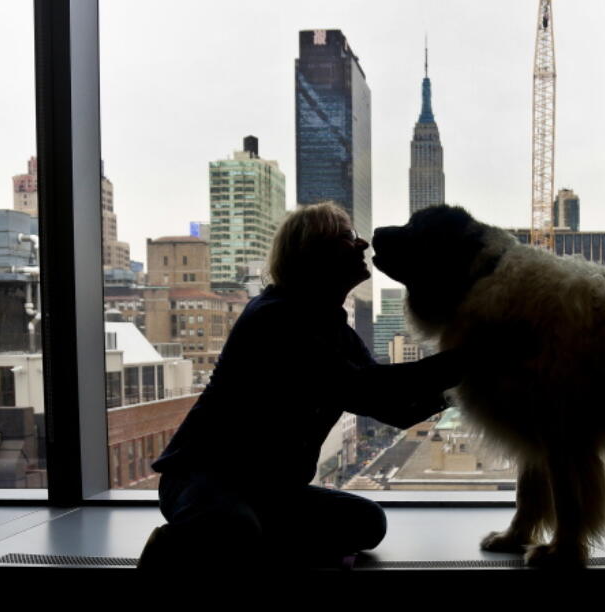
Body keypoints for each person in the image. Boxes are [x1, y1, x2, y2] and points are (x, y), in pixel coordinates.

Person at [137, 201, 463, 570]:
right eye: (347, 238)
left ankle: (252, 545)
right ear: (314, 253)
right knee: (231, 527)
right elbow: (373, 389)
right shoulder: (276, 317)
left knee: (367, 523)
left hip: (271, 491)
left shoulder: (332, 327)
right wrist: (474, 356)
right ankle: (172, 548)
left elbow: (395, 409)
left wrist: (473, 380)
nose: (362, 245)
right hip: (206, 478)